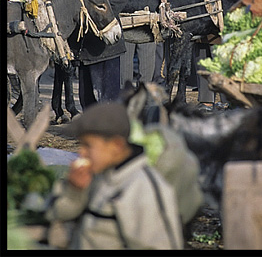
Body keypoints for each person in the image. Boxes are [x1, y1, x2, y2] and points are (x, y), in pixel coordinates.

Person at [44, 102, 184, 250]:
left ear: (116, 145)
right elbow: (53, 214)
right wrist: (74, 192)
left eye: (88, 146)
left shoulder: (143, 189)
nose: (81, 153)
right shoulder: (98, 175)